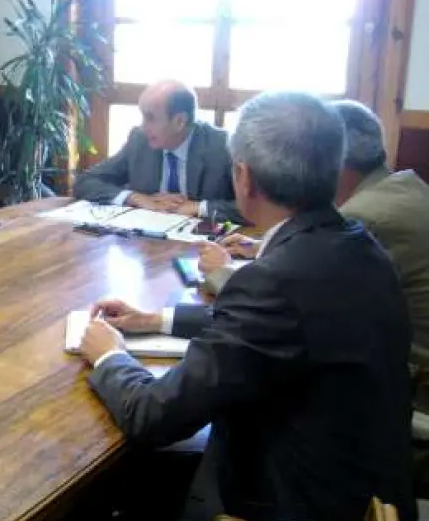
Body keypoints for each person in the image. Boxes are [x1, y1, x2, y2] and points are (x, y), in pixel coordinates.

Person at [79, 92, 416, 520]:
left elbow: (154, 416)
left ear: (243, 176)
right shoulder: (359, 245)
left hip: (290, 501)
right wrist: (157, 319)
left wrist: (109, 357)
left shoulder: (274, 281)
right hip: (366, 488)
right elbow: (285, 327)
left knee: (122, 487)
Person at [164, 100, 429, 414]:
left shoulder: (361, 219)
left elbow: (277, 306)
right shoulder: (404, 185)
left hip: (397, 394)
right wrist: (262, 246)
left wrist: (222, 273)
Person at [73, 80, 241, 222]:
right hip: (147, 241)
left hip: (203, 245)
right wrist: (135, 198)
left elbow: (252, 208)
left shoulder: (222, 146)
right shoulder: (140, 140)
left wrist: (199, 207)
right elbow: (86, 181)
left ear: (179, 121)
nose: (143, 126)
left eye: (150, 118)